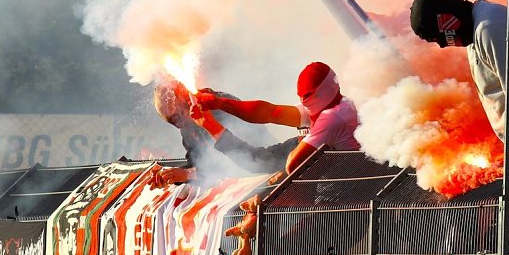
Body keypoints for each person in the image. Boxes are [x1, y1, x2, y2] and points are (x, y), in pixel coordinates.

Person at [193, 62, 360, 174]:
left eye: (308, 95)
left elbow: (292, 165)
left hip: (341, 193)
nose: (303, 100)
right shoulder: (326, 106)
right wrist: (219, 103)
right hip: (327, 179)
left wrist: (280, 175)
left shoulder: (332, 117)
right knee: (260, 160)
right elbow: (268, 112)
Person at [150, 80, 298, 187]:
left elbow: (244, 161)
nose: (178, 125)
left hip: (269, 175)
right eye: (172, 122)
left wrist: (188, 174)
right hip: (244, 183)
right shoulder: (187, 125)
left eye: (177, 117)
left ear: (186, 102)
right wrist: (172, 175)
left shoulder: (216, 107)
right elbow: (198, 162)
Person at [409, 0, 507, 142]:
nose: (442, 45)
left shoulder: (487, 29)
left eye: (437, 38)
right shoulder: (476, 31)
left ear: (446, 20)